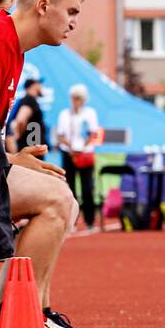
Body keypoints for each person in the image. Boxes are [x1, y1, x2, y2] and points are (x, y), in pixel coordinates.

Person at [0, 0, 99, 328]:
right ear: (44, 5)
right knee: (56, 198)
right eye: (72, 11)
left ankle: (11, 311)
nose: (74, 23)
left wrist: (11, 156)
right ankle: (21, 317)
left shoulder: (13, 48)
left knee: (64, 194)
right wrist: (8, 162)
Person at [55, 83, 101, 230]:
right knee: (70, 188)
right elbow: (60, 135)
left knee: (87, 188)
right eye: (73, 98)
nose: (75, 101)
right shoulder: (64, 114)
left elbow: (93, 133)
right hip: (68, 153)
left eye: (78, 98)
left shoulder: (90, 113)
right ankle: (71, 221)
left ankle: (90, 220)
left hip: (85, 153)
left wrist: (81, 147)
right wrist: (71, 147)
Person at [8, 76, 46, 153]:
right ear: (33, 86)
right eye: (39, 84)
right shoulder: (29, 100)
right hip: (29, 149)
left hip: (28, 149)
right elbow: (20, 120)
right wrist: (16, 137)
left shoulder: (25, 100)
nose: (41, 86)